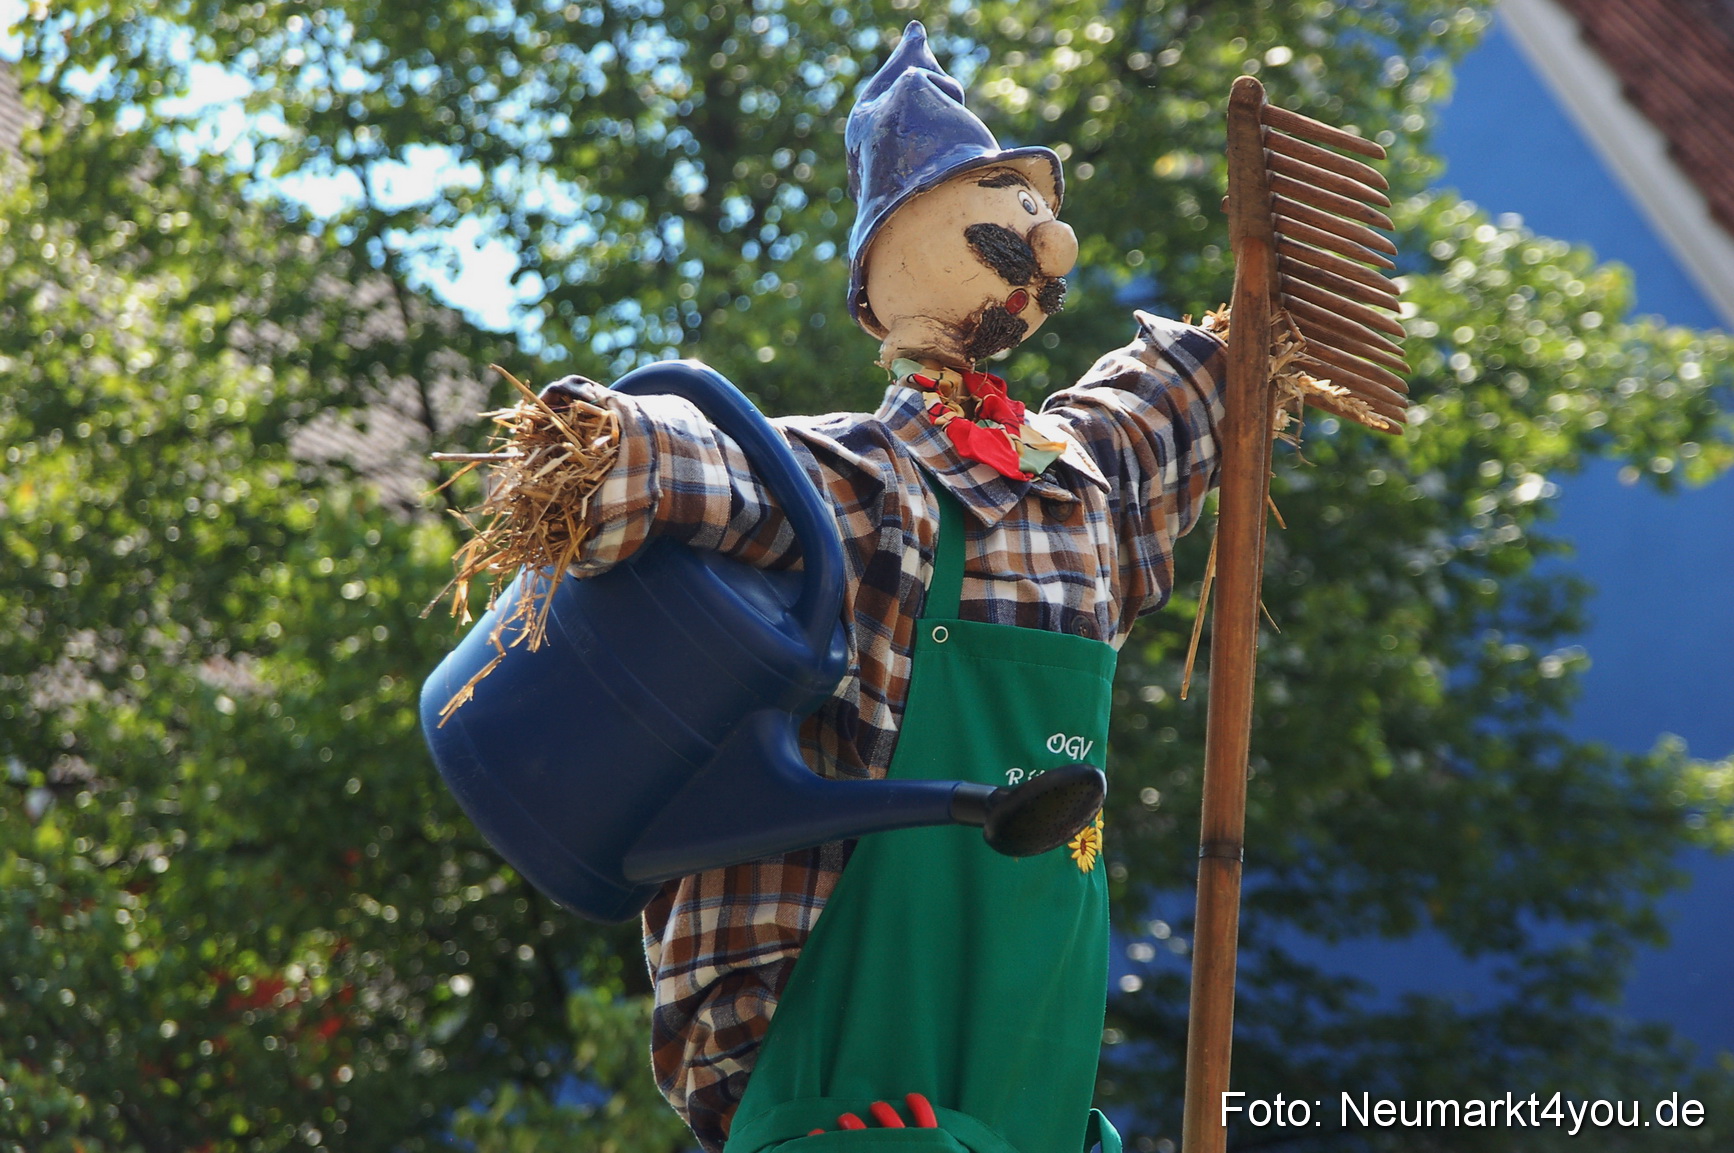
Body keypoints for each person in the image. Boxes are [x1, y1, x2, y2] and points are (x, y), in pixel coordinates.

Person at [537, 22, 1227, 1153]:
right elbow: (705, 468)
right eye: (997, 200)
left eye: (1035, 204)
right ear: (883, 269)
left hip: (1033, 1084)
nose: (1042, 239)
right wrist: (597, 447)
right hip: (850, 1089)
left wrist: (1247, 345)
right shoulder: (864, 483)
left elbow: (1156, 415)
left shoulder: (1082, 490)